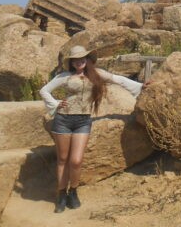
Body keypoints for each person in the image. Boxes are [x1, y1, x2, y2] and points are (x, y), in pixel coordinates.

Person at [39, 45, 144, 213]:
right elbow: (44, 90)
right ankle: (61, 195)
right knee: (63, 160)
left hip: (83, 121)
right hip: (63, 120)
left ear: (87, 60)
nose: (79, 61)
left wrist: (141, 86)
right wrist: (56, 104)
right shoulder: (64, 76)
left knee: (76, 161)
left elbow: (119, 80)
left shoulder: (97, 75)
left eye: (82, 58)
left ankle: (73, 191)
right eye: (75, 59)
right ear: (71, 62)